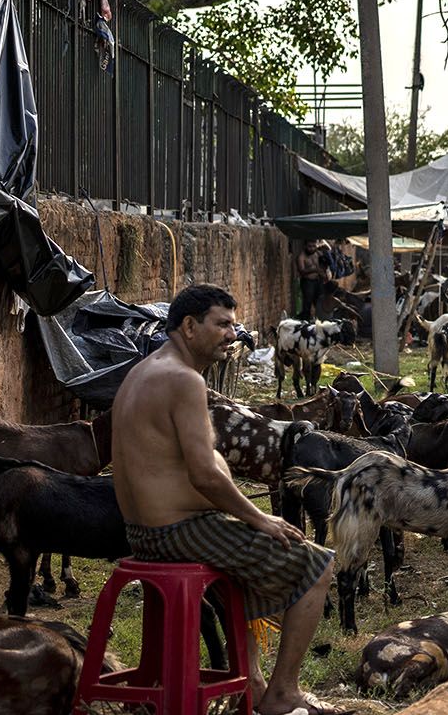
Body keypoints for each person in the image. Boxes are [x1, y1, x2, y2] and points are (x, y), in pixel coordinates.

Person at [111, 285, 339, 715]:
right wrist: (260, 519)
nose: (232, 334)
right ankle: (282, 694)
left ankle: (250, 682)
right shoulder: (183, 380)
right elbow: (203, 476)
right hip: (178, 532)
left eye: (234, 324)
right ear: (190, 327)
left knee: (244, 567)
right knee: (318, 564)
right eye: (222, 324)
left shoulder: (146, 370)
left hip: (142, 531)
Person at [295, 240, 326, 319]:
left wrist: (322, 273)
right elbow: (301, 271)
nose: (312, 248)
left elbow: (323, 265)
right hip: (307, 282)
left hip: (318, 281)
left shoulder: (317, 254)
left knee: (320, 302)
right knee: (307, 303)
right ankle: (306, 320)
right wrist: (314, 270)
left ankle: (320, 320)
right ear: (305, 246)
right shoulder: (301, 257)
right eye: (310, 246)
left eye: (313, 246)